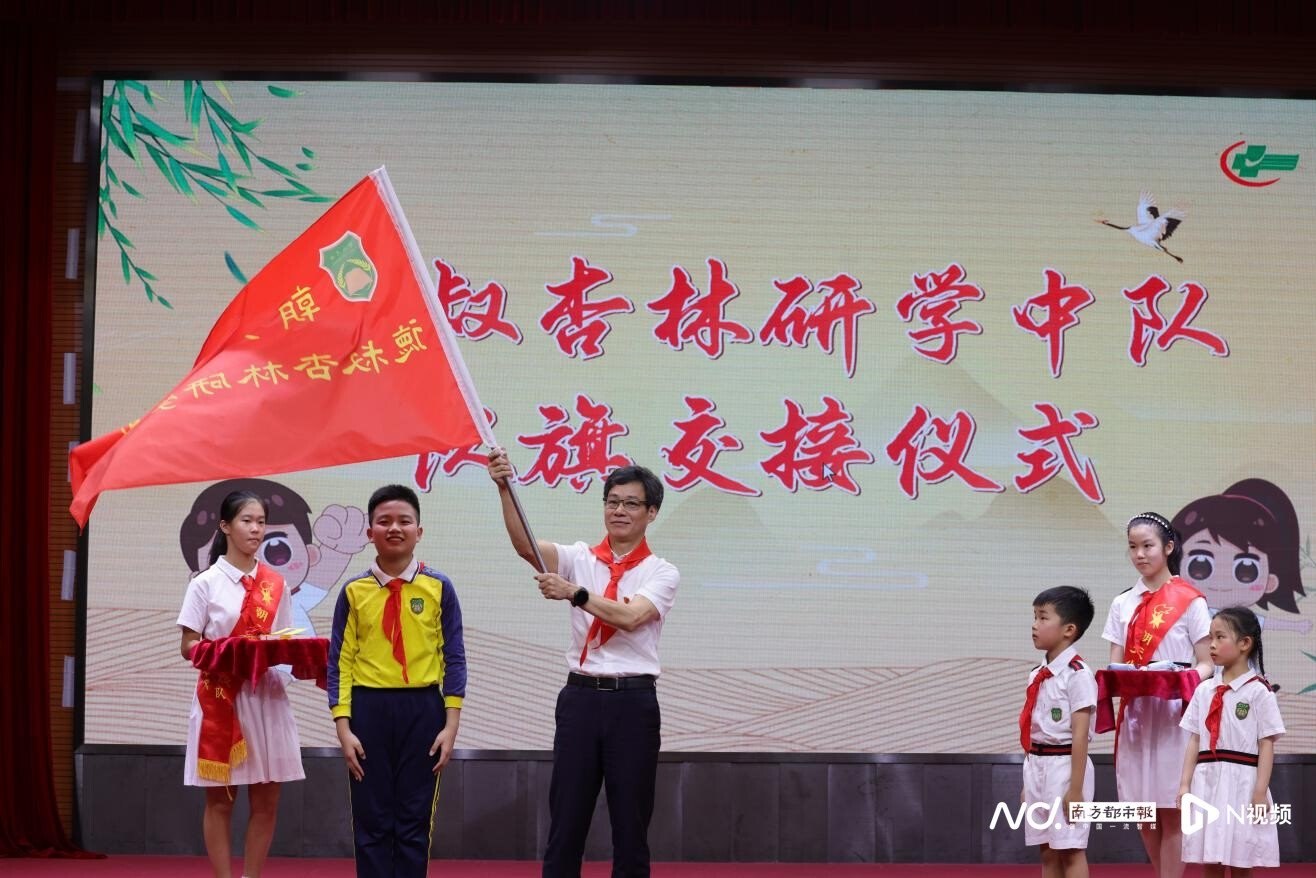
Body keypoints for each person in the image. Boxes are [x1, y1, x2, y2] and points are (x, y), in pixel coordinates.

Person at [488, 449, 679, 878]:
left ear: (651, 513)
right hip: (580, 700)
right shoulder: (579, 557)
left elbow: (630, 617)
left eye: (631, 503)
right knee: (566, 820)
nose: (619, 511)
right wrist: (503, 488)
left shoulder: (661, 572)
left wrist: (574, 593)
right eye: (612, 501)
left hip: (633, 704)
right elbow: (525, 546)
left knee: (630, 825)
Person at [328, 484, 466, 878]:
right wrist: (343, 728)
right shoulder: (353, 592)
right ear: (369, 531)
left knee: (414, 820)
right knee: (371, 820)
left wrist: (450, 725)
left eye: (404, 521)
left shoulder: (439, 587)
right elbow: (339, 661)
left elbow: (454, 657)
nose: (394, 528)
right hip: (367, 710)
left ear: (418, 531)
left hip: (423, 710)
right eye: (384, 521)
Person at [177, 490, 304, 878]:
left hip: (266, 698)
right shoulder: (205, 583)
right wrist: (228, 651)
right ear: (225, 526)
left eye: (261, 522)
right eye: (247, 521)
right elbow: (188, 646)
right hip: (222, 698)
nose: (255, 529)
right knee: (220, 803)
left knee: (267, 802)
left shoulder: (275, 584)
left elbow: (283, 641)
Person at [1102, 512, 1213, 878]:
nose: (1139, 554)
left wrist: (1180, 680)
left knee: (1173, 809)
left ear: (1168, 547)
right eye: (1132, 547)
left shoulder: (1191, 600)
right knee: (1143, 812)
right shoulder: (1122, 603)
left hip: (1175, 718)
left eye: (1147, 546)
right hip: (1136, 718)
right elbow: (1115, 663)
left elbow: (1207, 663)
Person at [1178, 607, 1285, 875]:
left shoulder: (1259, 691)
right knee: (1210, 858)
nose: (1212, 645)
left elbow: (1266, 745)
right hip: (1206, 782)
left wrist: (1260, 792)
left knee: (1241, 859)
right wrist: (1184, 785)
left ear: (1244, 643)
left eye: (1220, 637)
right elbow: (1195, 740)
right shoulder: (1204, 690)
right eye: (1210, 637)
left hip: (1242, 785)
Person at [1021, 586, 1097, 878]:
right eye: (1034, 617)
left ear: (1069, 629)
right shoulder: (1036, 674)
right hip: (1037, 766)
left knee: (1070, 849)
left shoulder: (1078, 675)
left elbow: (1080, 735)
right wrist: (1028, 782)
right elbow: (1033, 729)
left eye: (1043, 618)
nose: (1034, 625)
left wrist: (1075, 789)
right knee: (1047, 850)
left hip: (1065, 768)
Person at [1172, 478, 1310, 636]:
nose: (1221, 581)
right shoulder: (1188, 612)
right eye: (1200, 565)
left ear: (1270, 582)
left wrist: (1296, 626)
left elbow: (1264, 622)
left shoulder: (1241, 618)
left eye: (1246, 569)